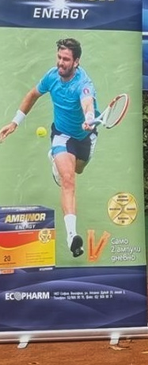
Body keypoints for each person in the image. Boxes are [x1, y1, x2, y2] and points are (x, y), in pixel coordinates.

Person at [0, 38, 99, 259]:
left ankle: (58, 163)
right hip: (62, 136)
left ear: (76, 62)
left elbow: (87, 103)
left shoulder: (83, 83)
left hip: (86, 137)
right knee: (68, 180)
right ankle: (72, 235)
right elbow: (32, 95)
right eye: (59, 57)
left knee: (78, 170)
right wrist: (15, 122)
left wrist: (89, 119)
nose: (61, 62)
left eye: (66, 59)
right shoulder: (51, 76)